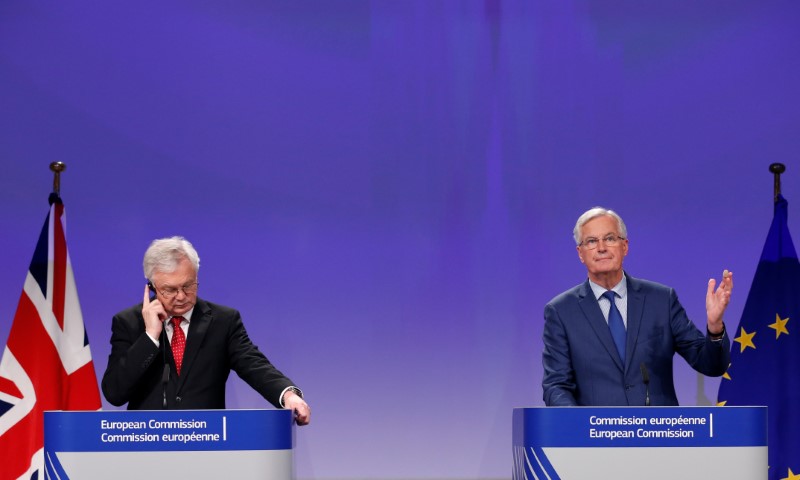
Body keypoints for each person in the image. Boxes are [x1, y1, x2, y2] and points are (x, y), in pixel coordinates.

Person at [102, 236, 310, 425]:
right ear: (152, 287)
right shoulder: (128, 322)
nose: (182, 296)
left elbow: (254, 365)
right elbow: (115, 393)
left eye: (188, 285)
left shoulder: (223, 321)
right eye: (170, 290)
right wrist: (149, 337)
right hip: (145, 445)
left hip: (207, 443)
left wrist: (288, 395)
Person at [542, 207, 732, 406]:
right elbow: (556, 386)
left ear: (625, 246)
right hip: (597, 434)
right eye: (591, 241)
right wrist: (583, 427)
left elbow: (712, 366)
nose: (601, 248)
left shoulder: (661, 300)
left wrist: (715, 326)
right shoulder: (561, 311)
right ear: (580, 253)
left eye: (609, 238)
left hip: (658, 432)